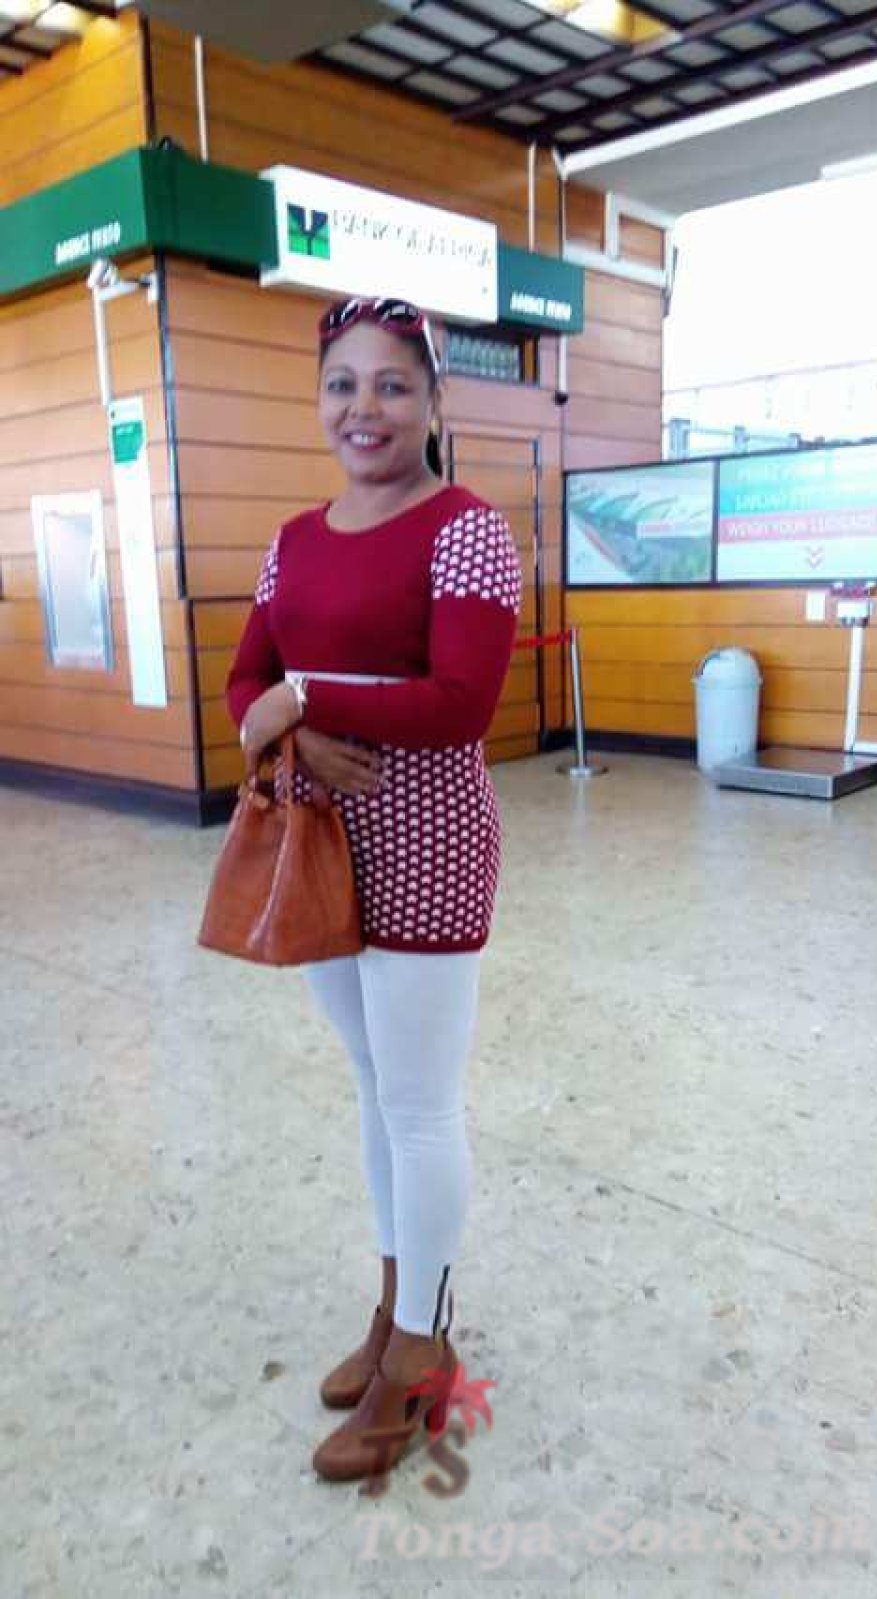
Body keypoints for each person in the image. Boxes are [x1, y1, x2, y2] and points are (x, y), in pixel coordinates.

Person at [225, 295, 522, 1484]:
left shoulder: (468, 531)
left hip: (432, 847)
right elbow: (244, 683)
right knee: (372, 1085)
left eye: (393, 384)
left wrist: (302, 700)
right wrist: (288, 728)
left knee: (421, 1105)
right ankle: (398, 1308)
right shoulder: (293, 540)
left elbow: (461, 705)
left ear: (435, 402)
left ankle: (421, 1357)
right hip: (322, 842)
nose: (366, 407)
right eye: (342, 384)